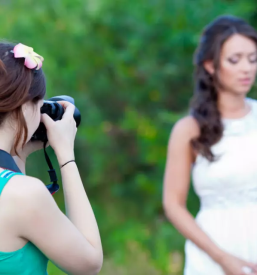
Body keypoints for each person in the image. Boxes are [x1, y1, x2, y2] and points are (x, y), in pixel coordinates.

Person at [163, 15, 257, 275]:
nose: (247, 68)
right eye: (234, 60)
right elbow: (173, 204)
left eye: (253, 59)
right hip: (213, 252)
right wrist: (223, 259)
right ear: (210, 65)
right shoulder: (189, 129)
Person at [0, 42, 103, 274]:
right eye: (39, 103)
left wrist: (20, 150)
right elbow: (89, 263)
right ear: (24, 107)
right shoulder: (25, 195)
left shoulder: (14, 190)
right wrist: (66, 156)